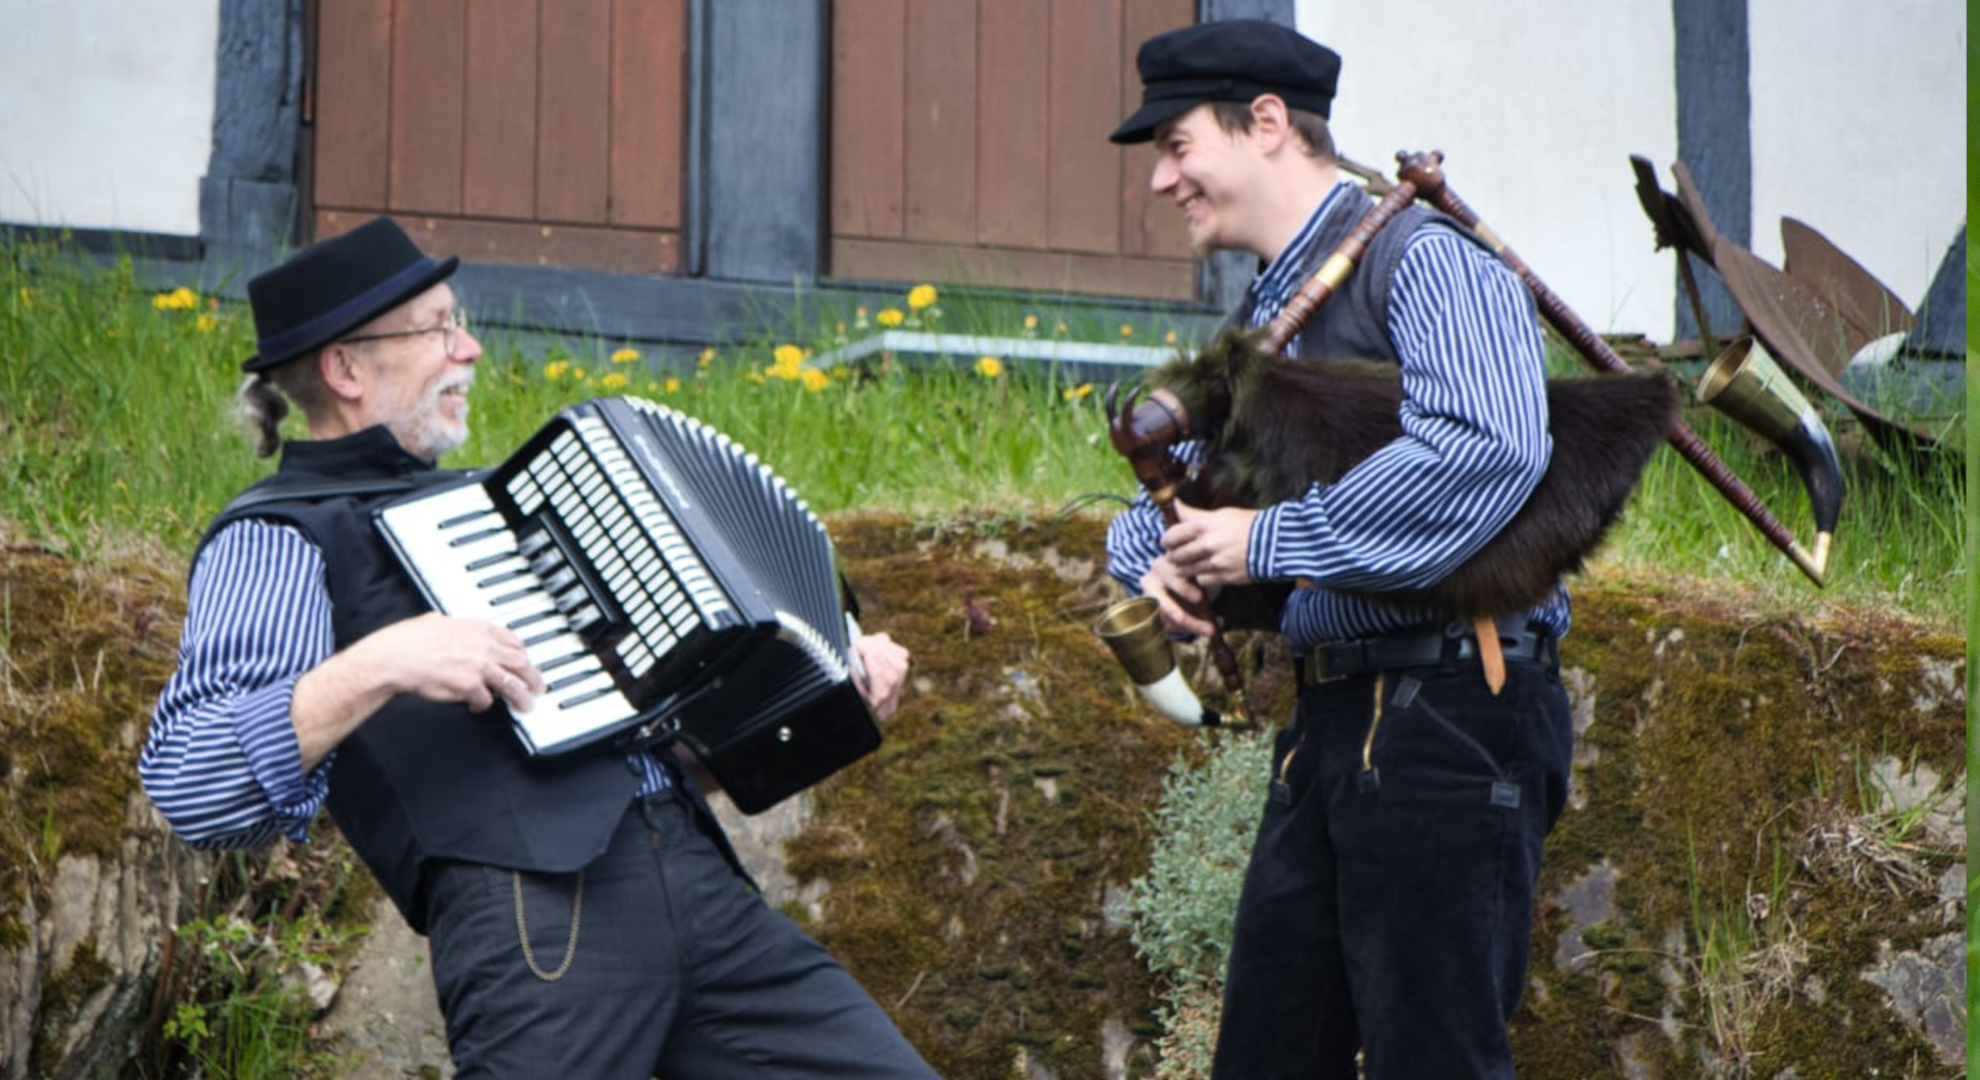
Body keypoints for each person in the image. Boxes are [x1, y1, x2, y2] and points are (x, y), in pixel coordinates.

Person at [140, 217, 940, 1080]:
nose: (471, 348)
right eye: (439, 327)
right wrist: (386, 659)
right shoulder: (276, 536)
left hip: (706, 896)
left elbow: (634, 739)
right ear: (345, 369)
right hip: (538, 923)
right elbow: (193, 779)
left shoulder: (492, 506)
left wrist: (825, 696)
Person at [1104, 20, 1574, 1080]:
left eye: (1176, 146)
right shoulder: (1271, 315)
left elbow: (1484, 452)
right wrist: (1153, 557)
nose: (1162, 180)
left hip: (1450, 715)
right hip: (1332, 725)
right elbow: (1201, 488)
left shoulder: (1426, 261)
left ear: (1265, 123)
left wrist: (1268, 541)